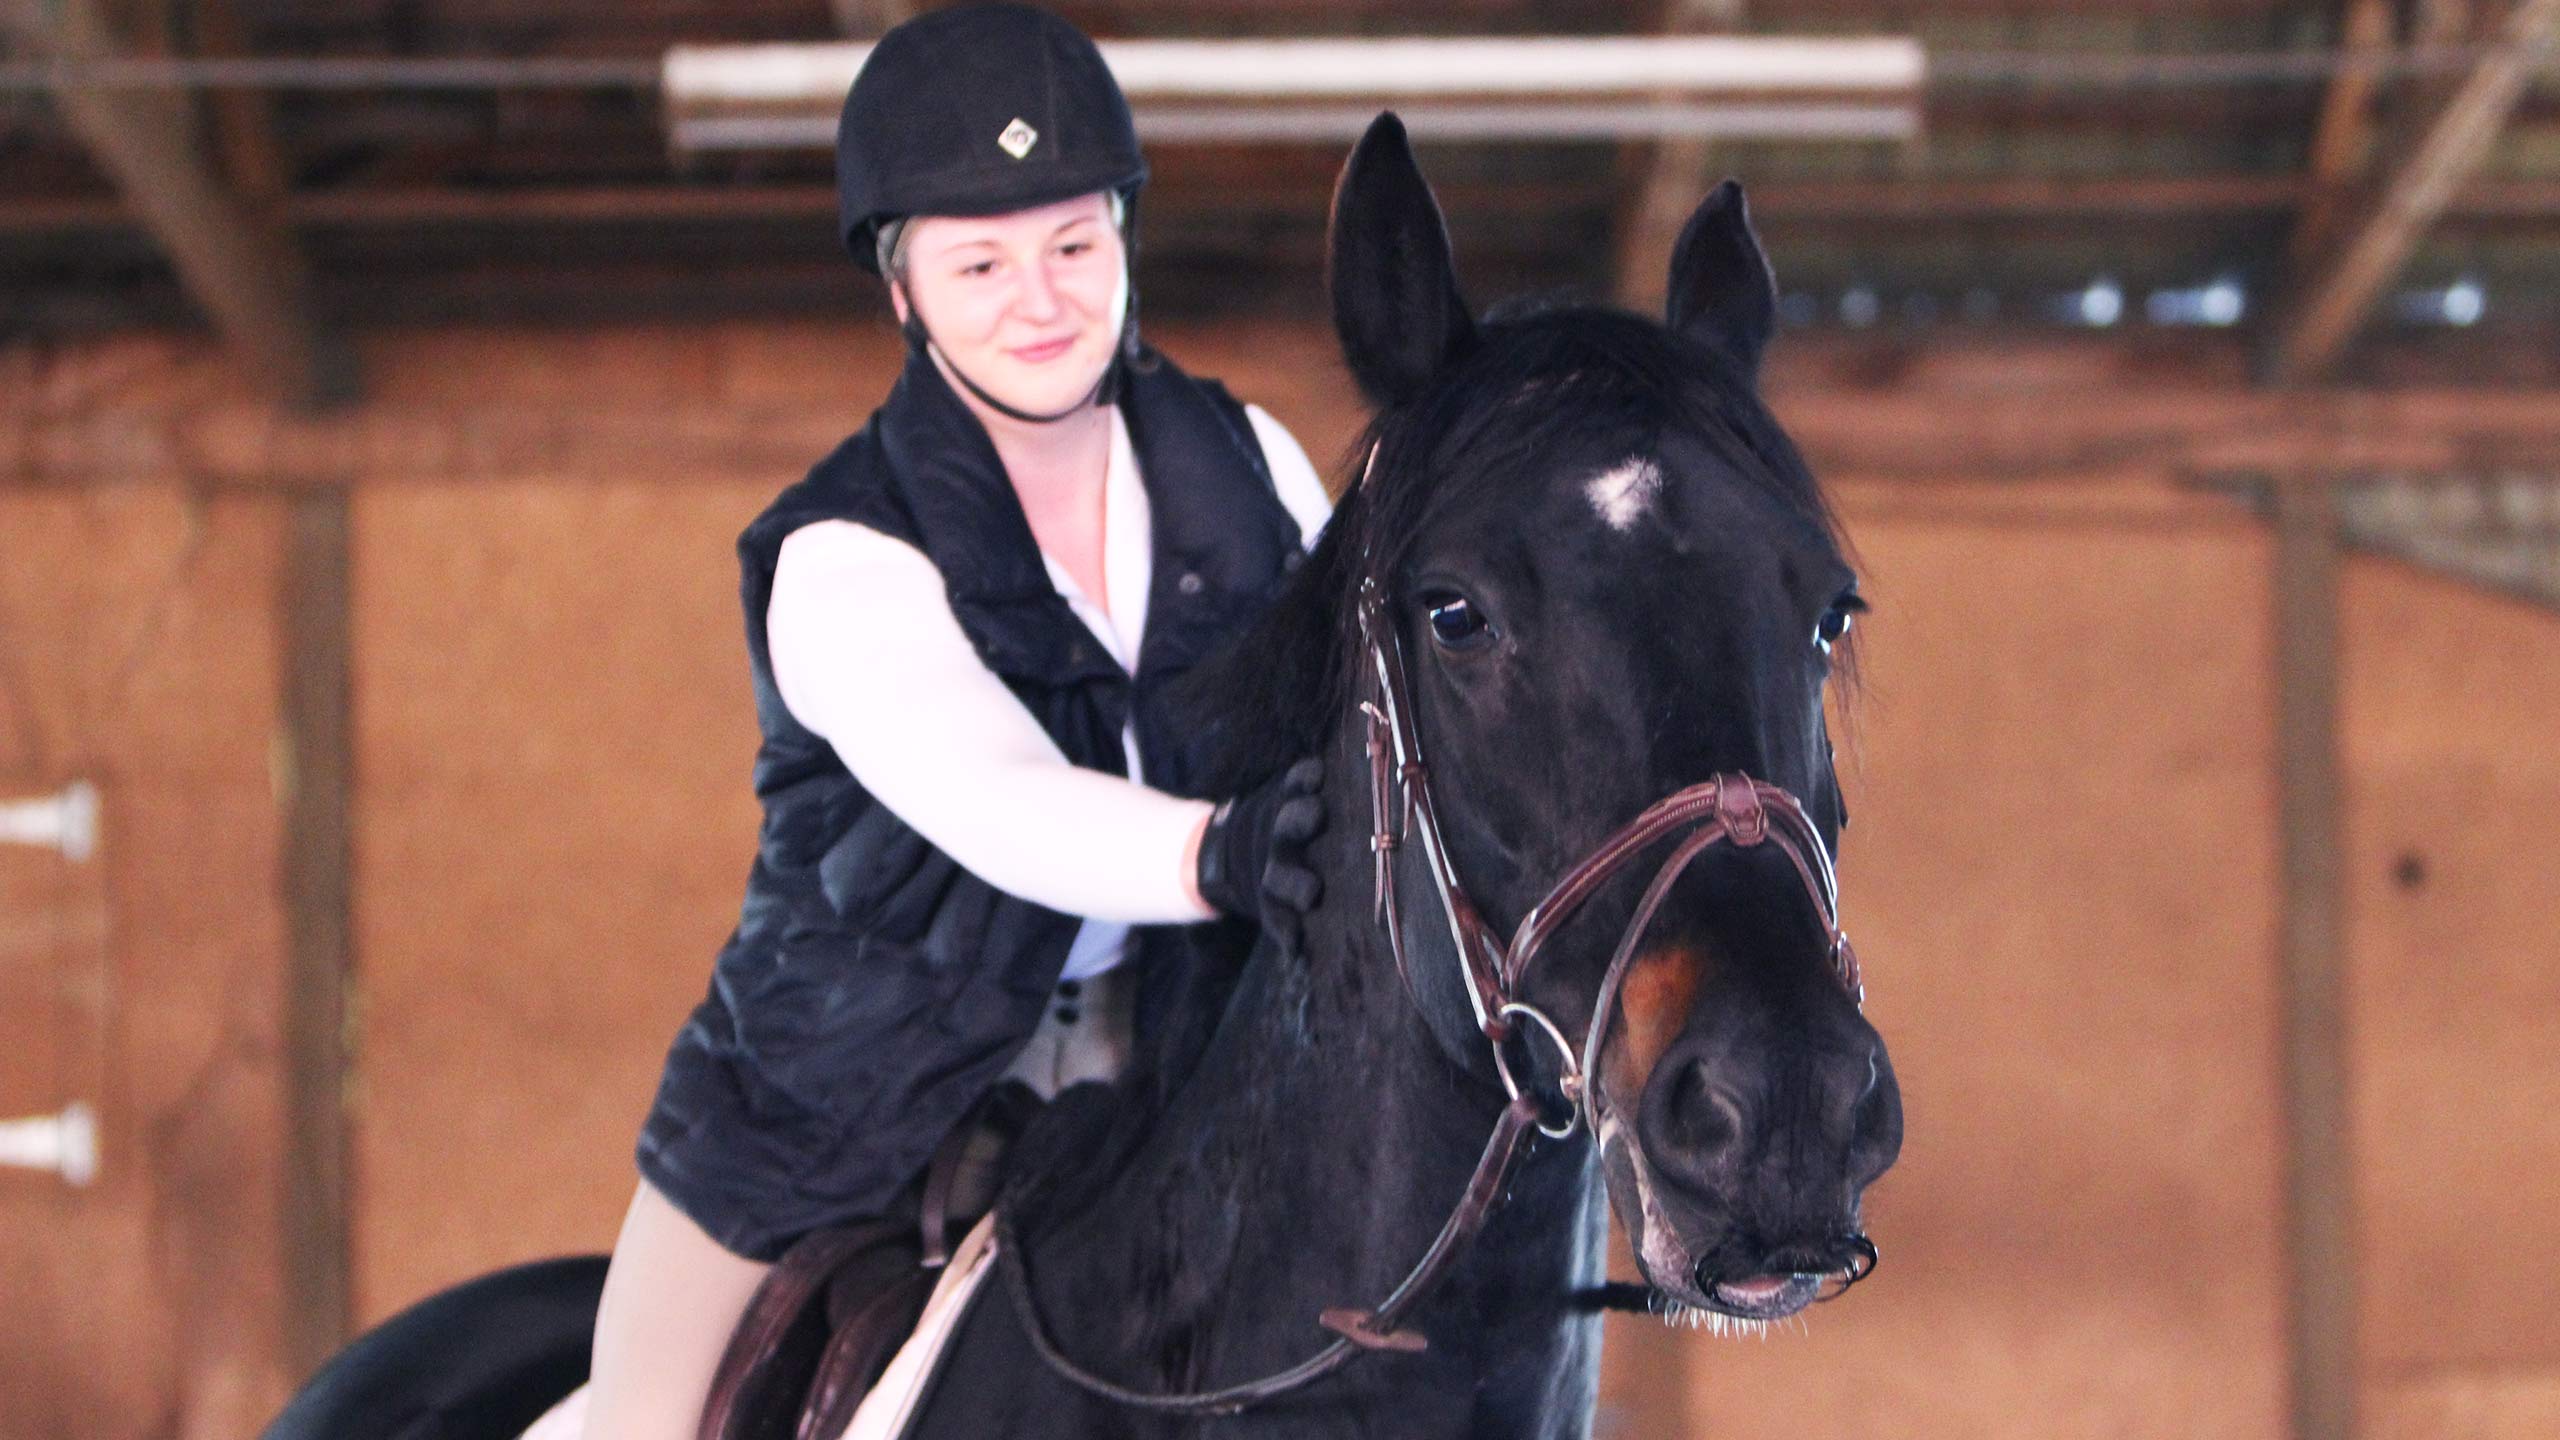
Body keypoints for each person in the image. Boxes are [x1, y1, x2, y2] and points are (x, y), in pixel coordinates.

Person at [577, 7, 1331, 1437]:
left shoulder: (1260, 471)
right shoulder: (840, 558)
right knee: (643, 1422)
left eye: (1074, 246)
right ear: (904, 292)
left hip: (1187, 1055)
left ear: (1124, 238)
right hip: (834, 1100)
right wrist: (1224, 854)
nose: (1040, 300)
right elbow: (998, 796)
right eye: (980, 263)